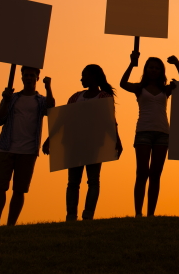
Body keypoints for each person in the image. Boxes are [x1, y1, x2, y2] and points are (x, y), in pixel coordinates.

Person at [42, 64, 123, 221]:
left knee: (92, 181)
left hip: (93, 144)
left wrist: (116, 141)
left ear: (94, 77)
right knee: (73, 182)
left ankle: (88, 215)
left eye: (84, 75)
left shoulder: (104, 97)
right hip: (73, 144)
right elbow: (63, 119)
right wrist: (49, 139)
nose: (81, 78)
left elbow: (110, 121)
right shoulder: (75, 97)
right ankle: (71, 216)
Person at [120, 52, 179, 217]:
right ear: (146, 69)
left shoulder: (166, 89)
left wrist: (177, 63)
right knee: (142, 172)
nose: (154, 70)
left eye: (157, 68)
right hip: (143, 131)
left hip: (162, 133)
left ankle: (151, 214)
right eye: (151, 67)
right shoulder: (139, 88)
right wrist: (131, 63)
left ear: (161, 71)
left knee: (155, 174)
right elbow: (122, 84)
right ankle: (138, 213)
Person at [0, 66, 54, 226]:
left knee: (19, 190)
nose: (29, 78)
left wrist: (49, 87)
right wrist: (5, 99)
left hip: (28, 150)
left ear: (37, 78)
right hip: (6, 147)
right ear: (22, 77)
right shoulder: (12, 98)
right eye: (26, 75)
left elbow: (52, 110)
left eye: (32, 75)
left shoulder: (40, 100)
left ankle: (11, 225)